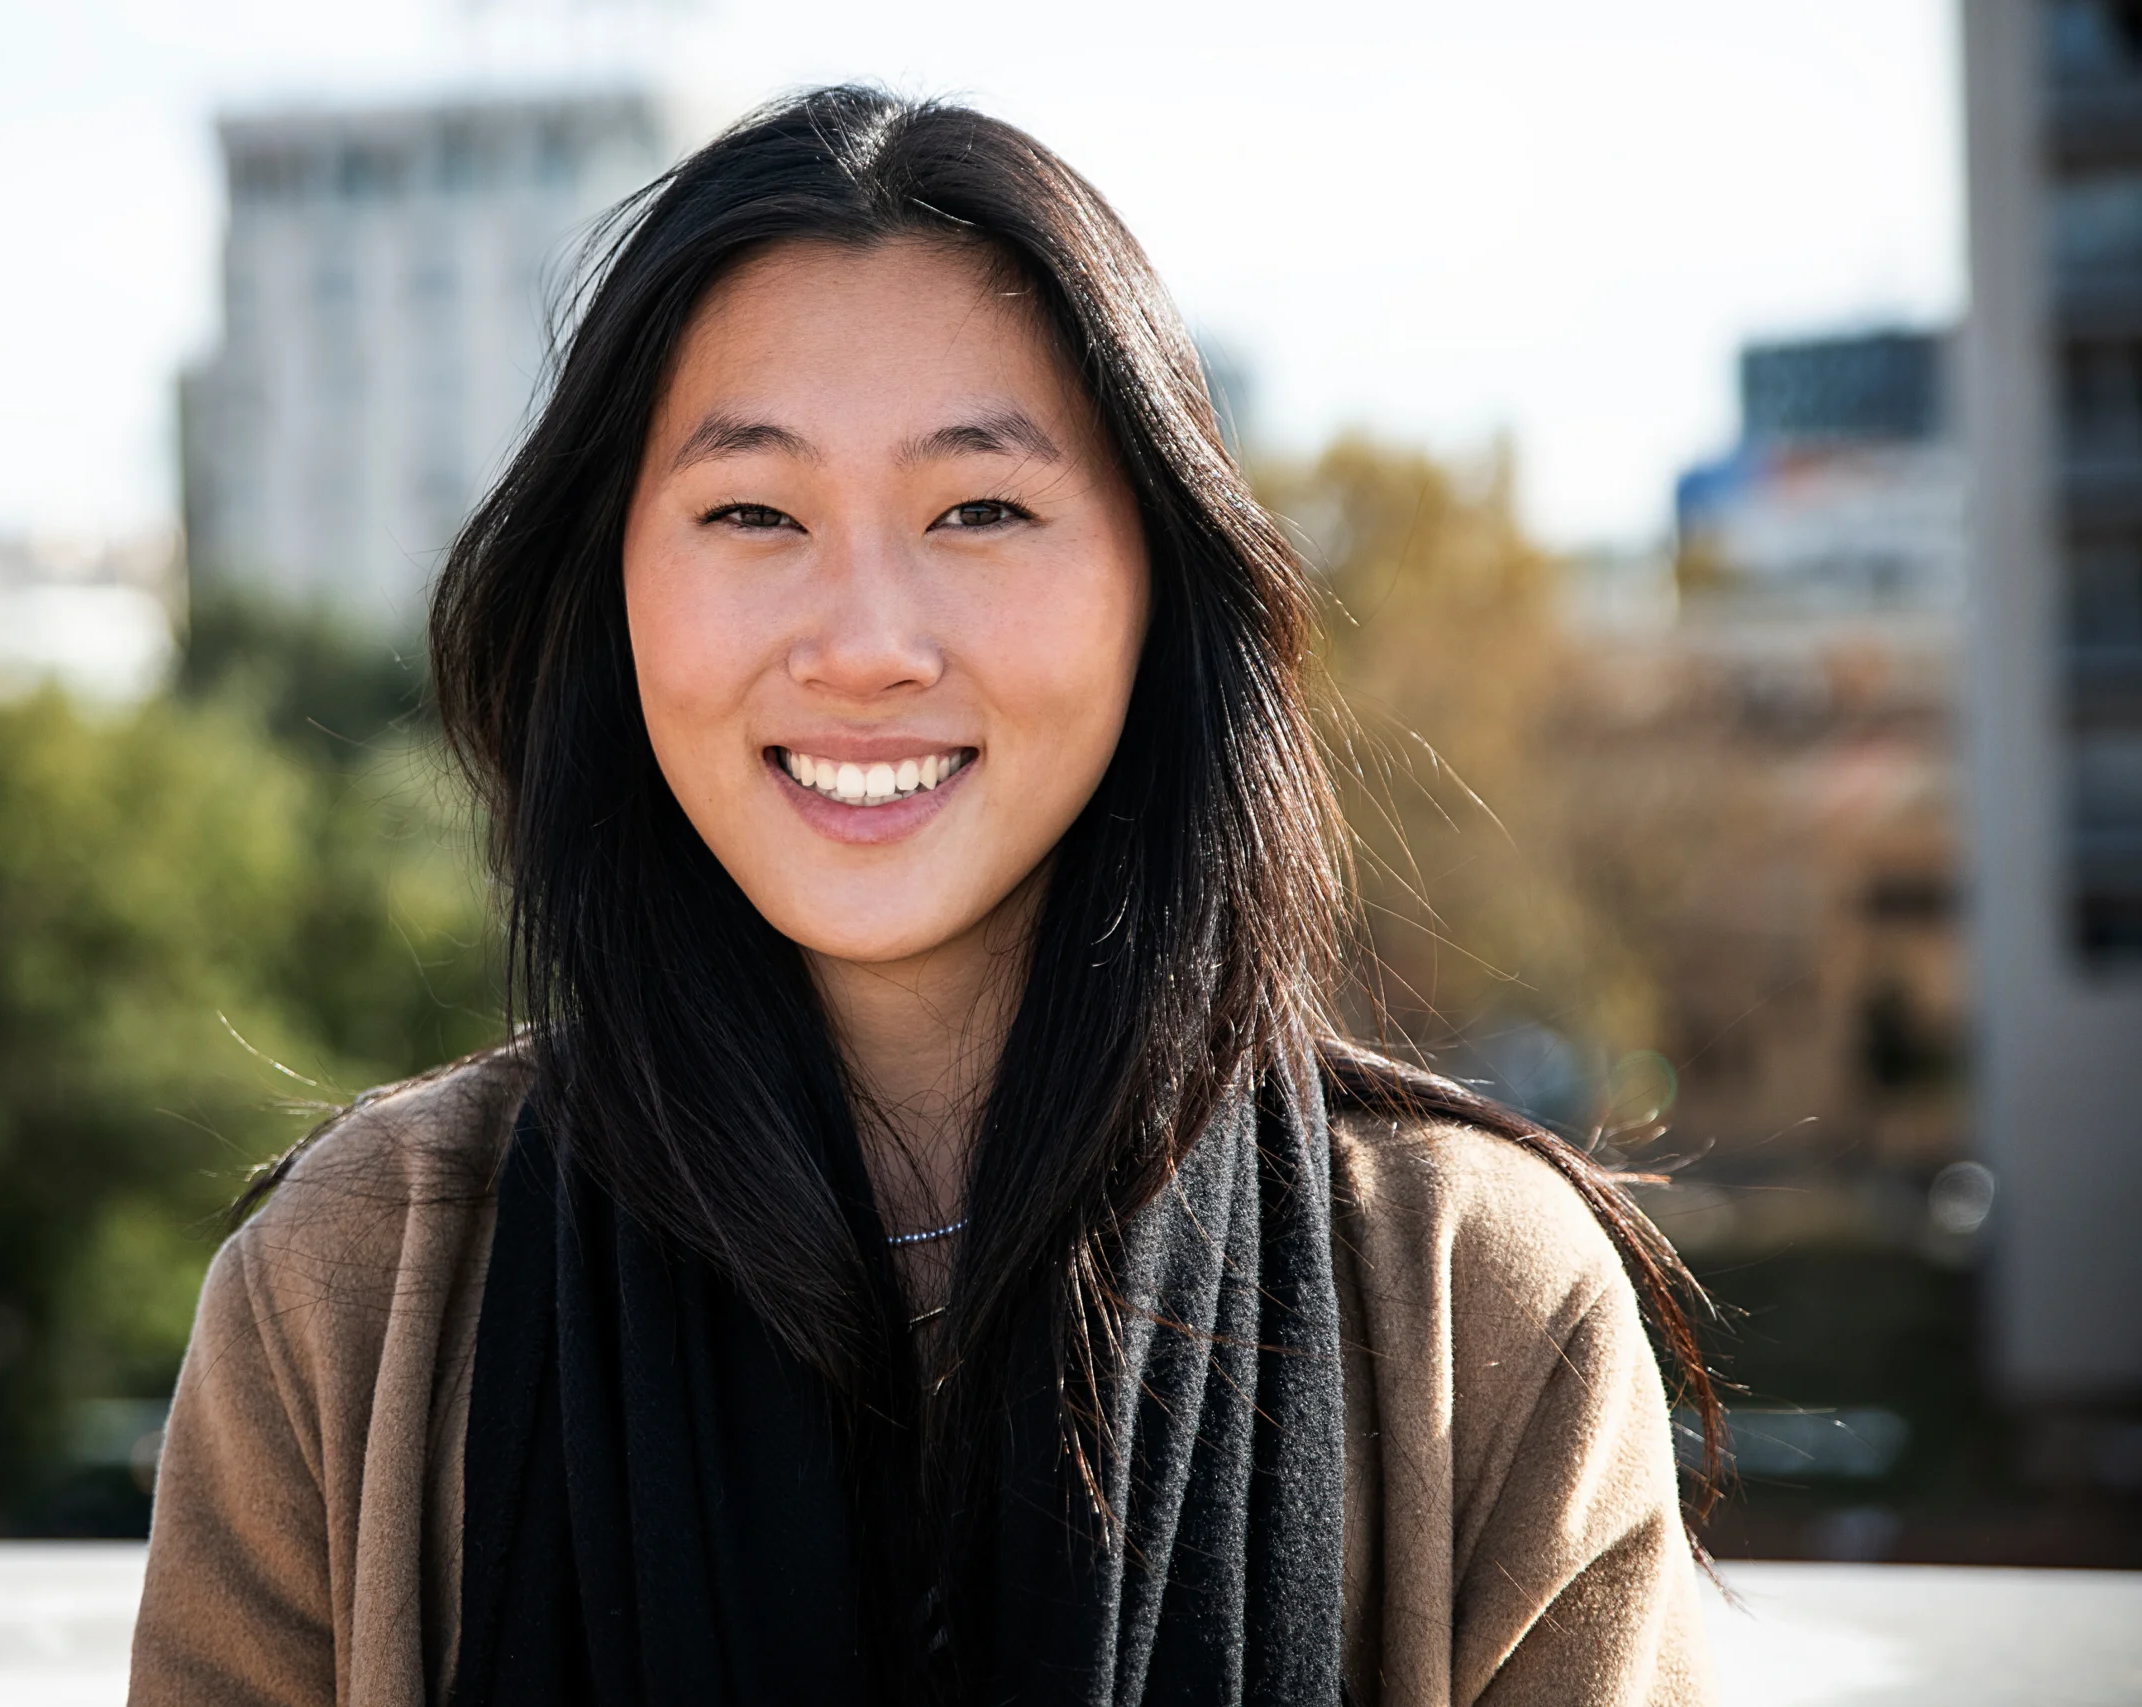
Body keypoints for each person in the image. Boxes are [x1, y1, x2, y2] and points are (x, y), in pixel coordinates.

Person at [129, 87, 1717, 1707]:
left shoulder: (1473, 1304)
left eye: (982, 510)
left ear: (1155, 589)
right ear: (610, 591)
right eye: (752, 511)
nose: (869, 640)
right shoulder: (354, 1299)